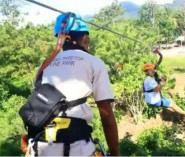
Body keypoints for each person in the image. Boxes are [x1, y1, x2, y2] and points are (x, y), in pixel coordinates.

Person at [27, 13, 119, 156]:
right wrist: (114, 152)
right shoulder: (94, 62)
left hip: (38, 146)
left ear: (61, 38)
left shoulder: (44, 65)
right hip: (76, 148)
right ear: (85, 38)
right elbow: (106, 114)